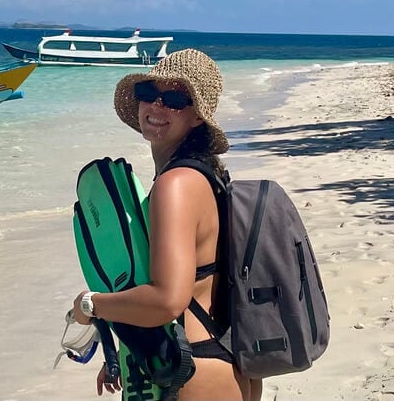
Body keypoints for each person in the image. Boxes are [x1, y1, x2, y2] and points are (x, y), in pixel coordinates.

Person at [71, 49, 262, 401]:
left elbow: (167, 301)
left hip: (193, 370)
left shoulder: (176, 185)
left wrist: (90, 305)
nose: (157, 107)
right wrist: (129, 348)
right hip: (222, 357)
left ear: (197, 118)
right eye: (148, 94)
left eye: (174, 99)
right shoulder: (207, 174)